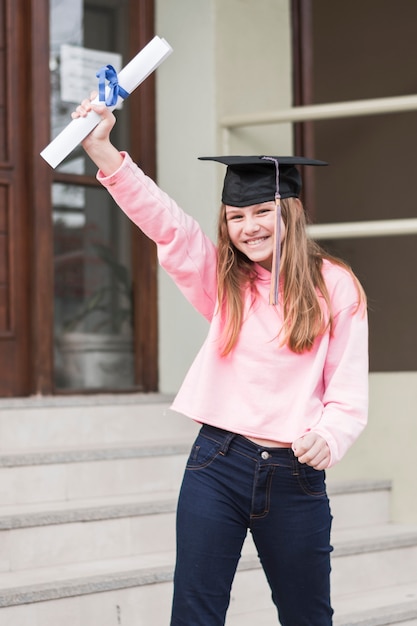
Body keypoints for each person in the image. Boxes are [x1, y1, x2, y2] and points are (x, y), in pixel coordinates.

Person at [72, 95, 368, 626]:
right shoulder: (224, 281)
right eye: (236, 217)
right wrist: (103, 150)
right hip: (218, 463)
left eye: (261, 212)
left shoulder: (336, 285)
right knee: (195, 611)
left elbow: (347, 393)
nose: (248, 226)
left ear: (290, 213)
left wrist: (329, 434)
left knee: (308, 616)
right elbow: (167, 224)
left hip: (294, 476)